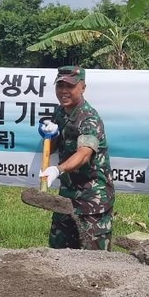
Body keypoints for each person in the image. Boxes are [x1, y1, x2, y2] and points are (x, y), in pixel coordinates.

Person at [38, 65, 115, 250]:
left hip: (92, 201)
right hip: (67, 197)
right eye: (60, 86)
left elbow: (84, 154)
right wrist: (51, 135)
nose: (64, 91)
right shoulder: (60, 112)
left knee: (94, 259)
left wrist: (58, 169)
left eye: (70, 86)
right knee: (59, 253)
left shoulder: (89, 118)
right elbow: (55, 145)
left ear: (83, 87)